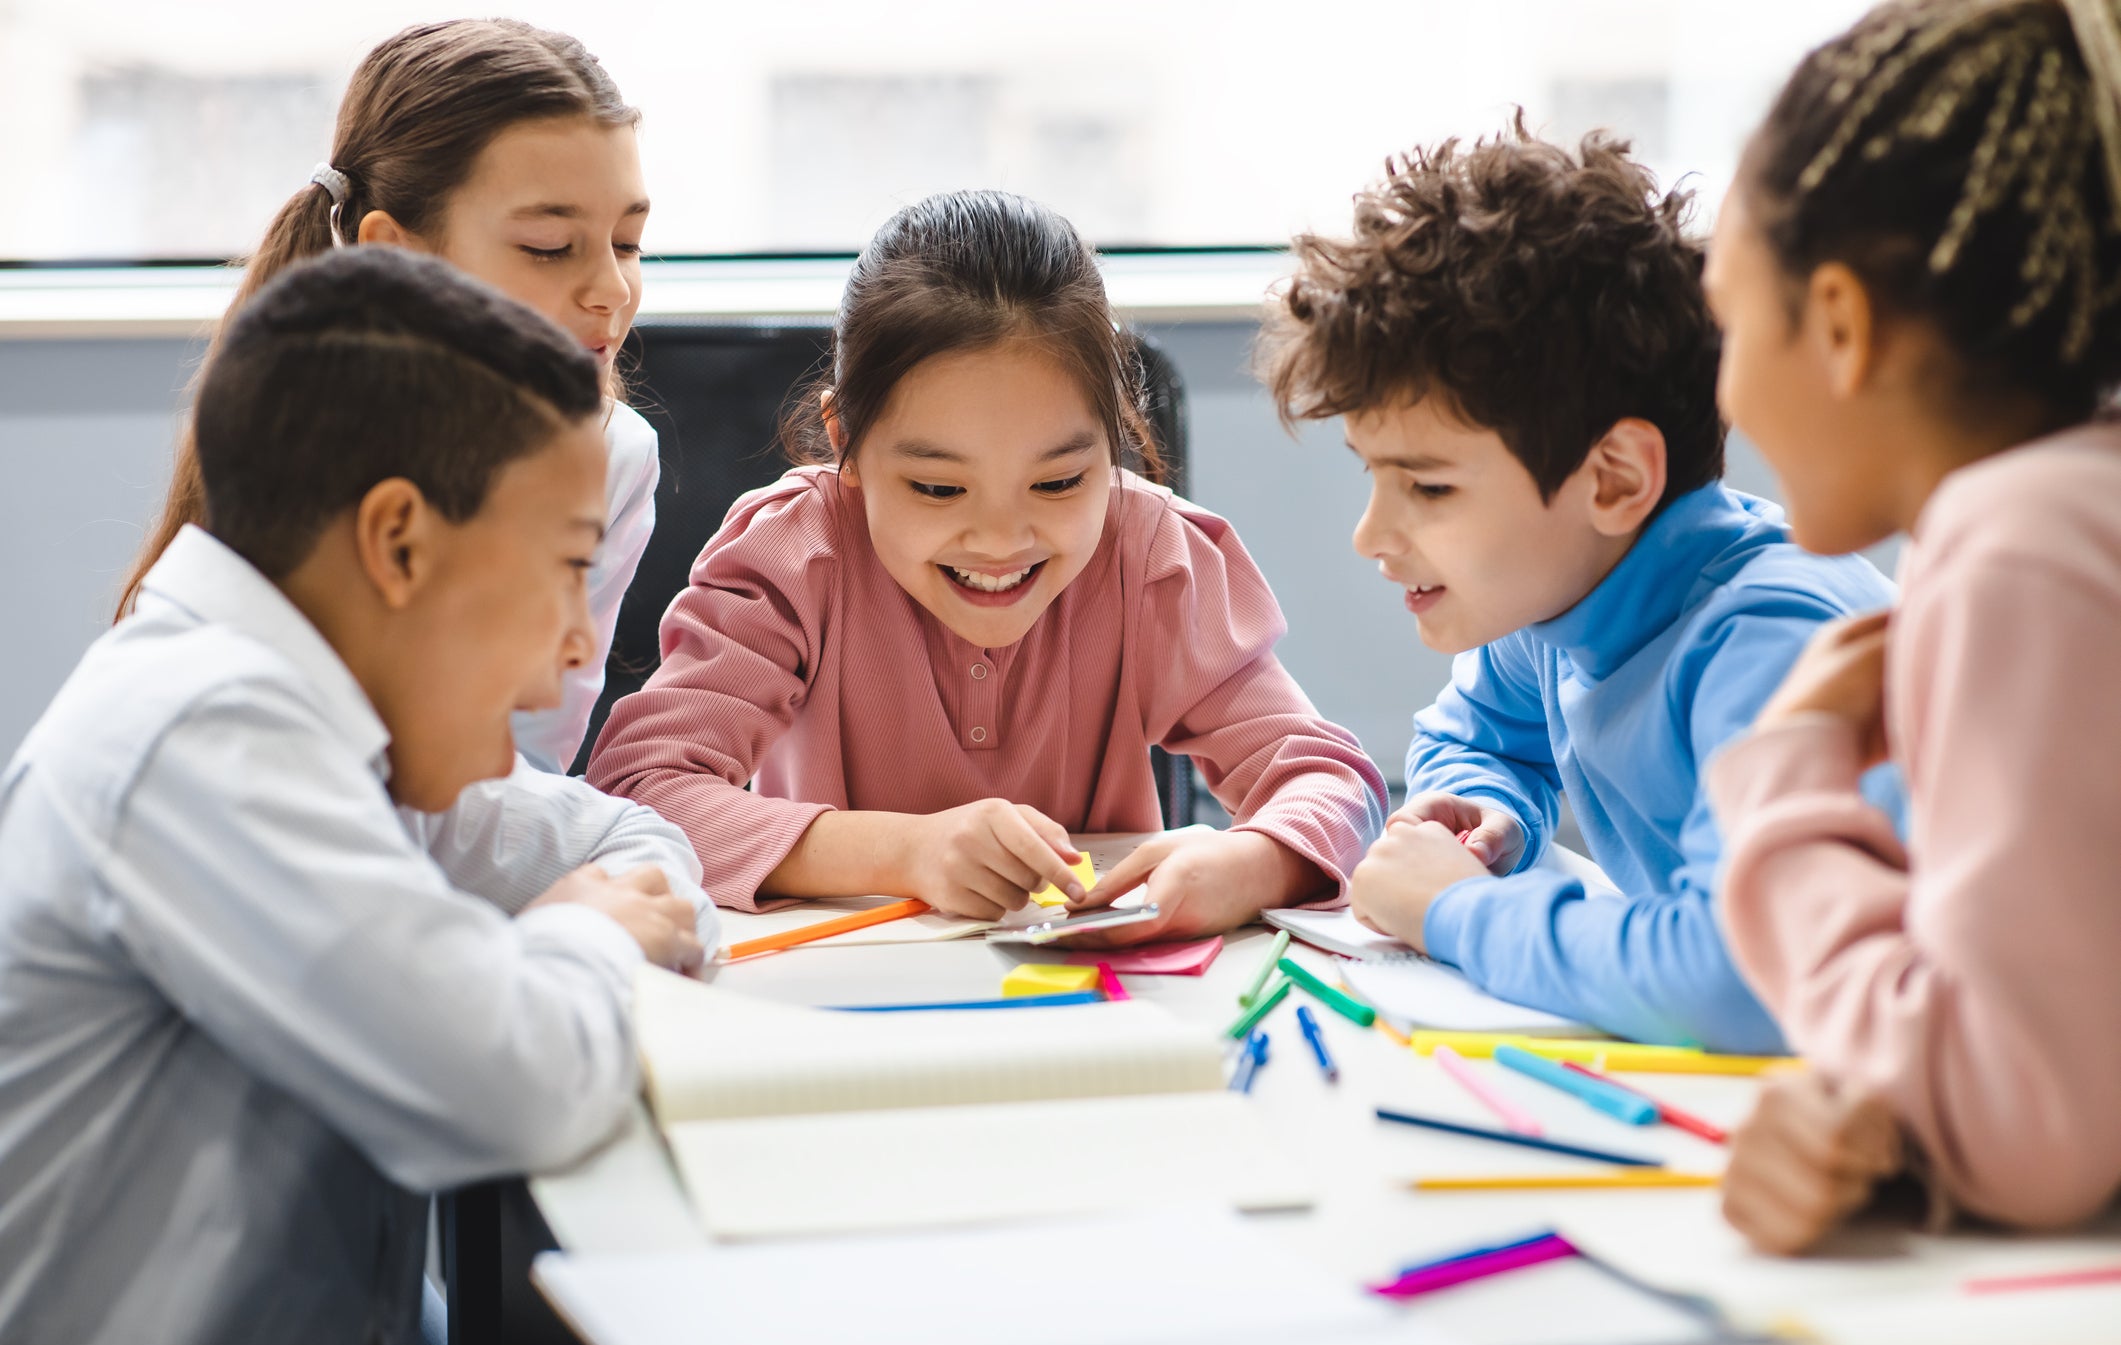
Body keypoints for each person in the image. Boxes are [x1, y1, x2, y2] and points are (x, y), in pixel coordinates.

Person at [0, 246, 713, 1345]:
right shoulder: (207, 734)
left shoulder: (331, 739)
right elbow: (509, 1082)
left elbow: (629, 852)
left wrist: (569, 935)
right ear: (399, 544)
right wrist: (576, 942)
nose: (581, 647)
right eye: (566, 567)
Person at [588, 190, 1385, 939]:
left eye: (1059, 482)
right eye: (937, 487)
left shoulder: (1149, 555)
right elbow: (639, 790)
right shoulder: (796, 555)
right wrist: (904, 853)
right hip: (841, 998)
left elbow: (1329, 781)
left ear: (1114, 437)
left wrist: (1253, 860)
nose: (1000, 541)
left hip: (1093, 1001)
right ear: (845, 443)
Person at [1257, 122, 1900, 1051]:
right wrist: (1486, 815)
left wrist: (1455, 911)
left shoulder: (1771, 643)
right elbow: (1473, 737)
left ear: (1611, 480)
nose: (1372, 536)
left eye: (1428, 486)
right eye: (1374, 475)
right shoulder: (1554, 599)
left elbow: (1736, 975)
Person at [1702, 0, 2121, 1251]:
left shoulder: (2019, 543)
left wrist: (1785, 781)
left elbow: (2028, 1132)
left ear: (1838, 321)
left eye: (1728, 324)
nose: (1724, 390)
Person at [116, 18, 658, 772]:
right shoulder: (292, 439)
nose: (611, 290)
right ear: (395, 258)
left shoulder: (614, 452)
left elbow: (522, 769)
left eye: (628, 242)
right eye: (547, 247)